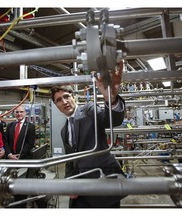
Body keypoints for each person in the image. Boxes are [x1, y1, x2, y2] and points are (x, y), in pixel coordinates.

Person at [50, 70, 126, 208]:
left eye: (66, 96)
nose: (64, 102)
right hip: (80, 190)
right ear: (56, 105)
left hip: (103, 185)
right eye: (59, 100)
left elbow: (111, 120)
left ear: (74, 97)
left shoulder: (88, 110)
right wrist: (69, 182)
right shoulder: (63, 131)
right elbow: (70, 160)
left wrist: (111, 98)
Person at [4, 104, 36, 208]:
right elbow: (6, 142)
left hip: (23, 160)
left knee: (21, 185)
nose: (19, 114)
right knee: (9, 184)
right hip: (10, 159)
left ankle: (21, 206)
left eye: (21, 112)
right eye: (17, 112)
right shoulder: (10, 126)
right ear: (14, 113)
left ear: (25, 113)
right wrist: (9, 154)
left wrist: (19, 156)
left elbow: (30, 143)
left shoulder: (30, 127)